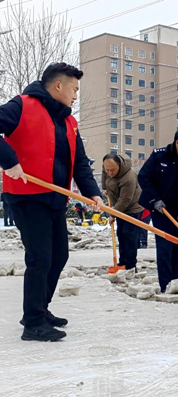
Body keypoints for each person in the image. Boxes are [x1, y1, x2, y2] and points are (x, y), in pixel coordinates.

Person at [0, 63, 103, 341]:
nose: (76, 95)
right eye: (74, 88)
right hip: (26, 194)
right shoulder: (22, 105)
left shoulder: (69, 121)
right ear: (58, 86)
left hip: (56, 196)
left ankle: (39, 308)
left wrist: (93, 192)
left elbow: (79, 162)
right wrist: (9, 161)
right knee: (40, 257)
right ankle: (33, 323)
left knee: (59, 255)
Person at [138, 128, 178, 292]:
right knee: (165, 247)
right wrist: (155, 200)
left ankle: (174, 279)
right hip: (162, 210)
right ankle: (165, 285)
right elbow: (143, 177)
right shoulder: (159, 156)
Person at [102, 154, 144, 271]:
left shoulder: (128, 177)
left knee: (129, 236)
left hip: (132, 207)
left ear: (119, 166)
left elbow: (125, 200)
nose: (109, 172)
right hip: (119, 207)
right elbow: (104, 176)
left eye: (113, 170)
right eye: (107, 169)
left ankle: (130, 266)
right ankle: (122, 263)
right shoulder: (107, 168)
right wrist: (105, 188)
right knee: (121, 234)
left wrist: (112, 214)